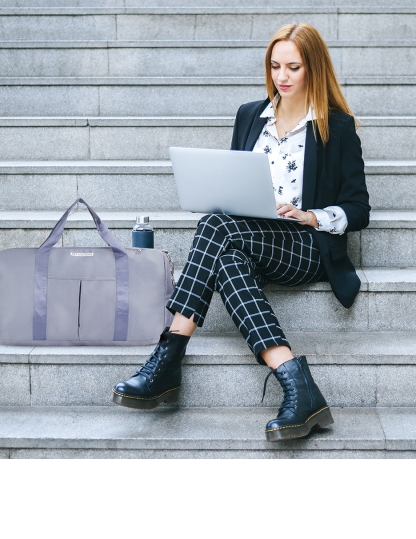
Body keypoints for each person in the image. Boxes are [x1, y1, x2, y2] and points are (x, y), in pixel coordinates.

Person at [111, 22, 370, 442]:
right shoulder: (251, 115)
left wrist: (310, 216)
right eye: (274, 66)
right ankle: (298, 386)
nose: (281, 77)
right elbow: (236, 181)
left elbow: (359, 208)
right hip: (247, 237)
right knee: (227, 257)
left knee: (215, 228)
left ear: (314, 69)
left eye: (293, 67)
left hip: (304, 244)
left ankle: (168, 358)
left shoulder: (337, 127)